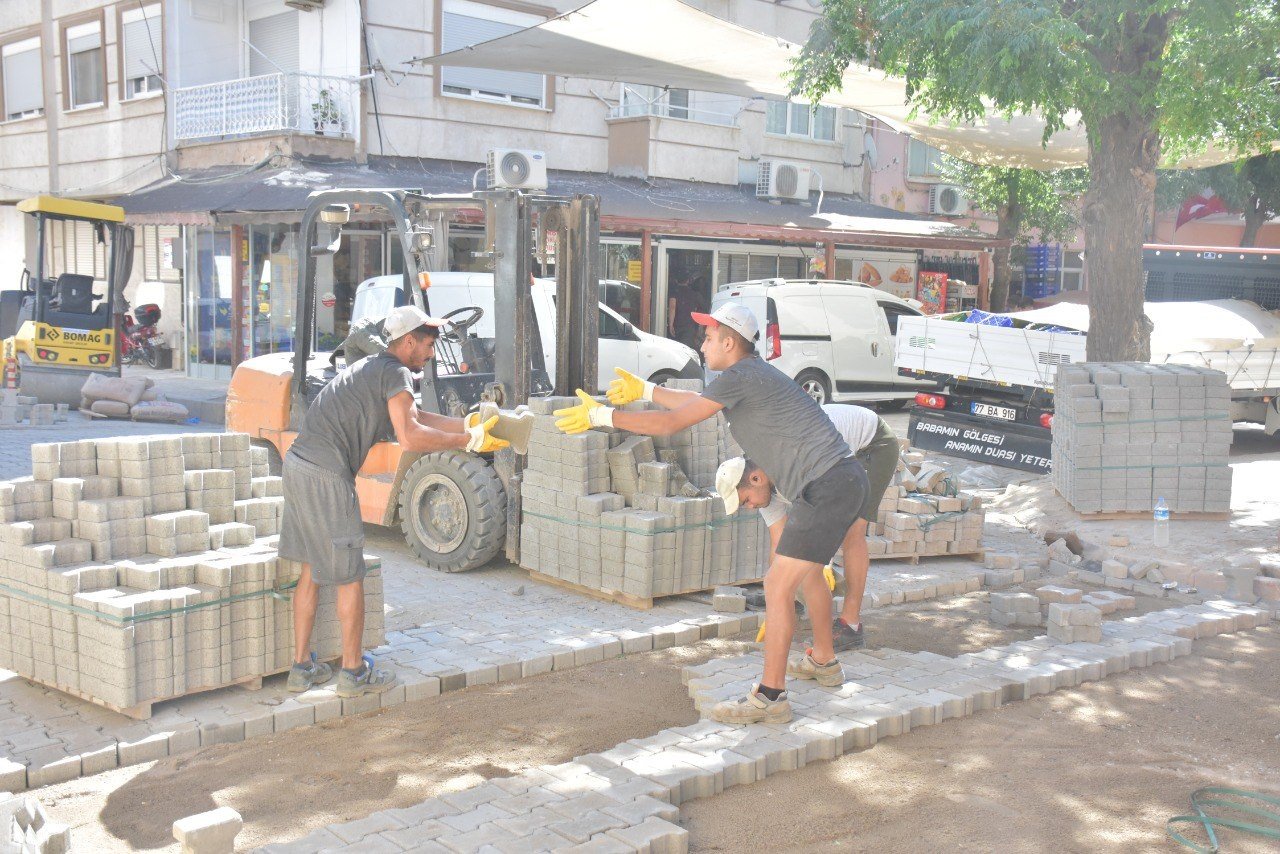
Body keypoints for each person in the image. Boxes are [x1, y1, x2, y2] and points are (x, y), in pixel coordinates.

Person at [554, 302, 867, 725]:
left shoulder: (744, 376)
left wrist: (602, 415)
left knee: (777, 584)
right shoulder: (747, 378)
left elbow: (672, 423)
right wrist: (646, 391)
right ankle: (824, 662)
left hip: (827, 485)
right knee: (803, 576)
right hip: (838, 481)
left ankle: (771, 698)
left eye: (707, 337)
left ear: (729, 341)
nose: (701, 345)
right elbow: (696, 403)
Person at [280, 305, 507, 697]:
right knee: (350, 577)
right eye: (427, 344)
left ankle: (302, 667)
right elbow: (412, 438)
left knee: (309, 569)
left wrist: (472, 425)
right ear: (407, 341)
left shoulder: (375, 369)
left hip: (298, 464)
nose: (431, 353)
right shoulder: (395, 372)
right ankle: (353, 674)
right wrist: (467, 442)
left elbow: (418, 417)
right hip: (325, 474)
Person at [717, 403, 901, 652]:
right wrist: (778, 599)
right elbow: (779, 542)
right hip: (833, 456)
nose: (748, 507)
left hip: (871, 443)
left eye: (745, 500)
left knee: (852, 531)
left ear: (756, 479)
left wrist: (820, 561)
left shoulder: (792, 463)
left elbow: (823, 514)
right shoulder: (761, 488)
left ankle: (851, 625)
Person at [667, 277, 708, 352]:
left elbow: (672, 307)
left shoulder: (674, 292)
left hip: (677, 325)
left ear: (676, 280)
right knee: (685, 350)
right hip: (689, 326)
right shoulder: (694, 294)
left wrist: (670, 324)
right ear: (688, 281)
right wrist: (700, 326)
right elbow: (704, 308)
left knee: (674, 349)